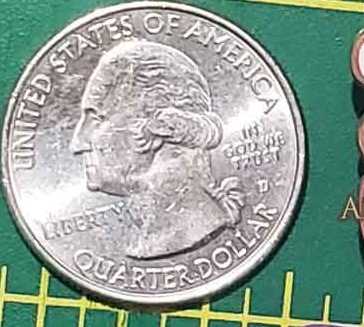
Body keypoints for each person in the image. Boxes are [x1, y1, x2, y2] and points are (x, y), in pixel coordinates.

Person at [70, 39, 244, 259]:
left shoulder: (183, 235)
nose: (77, 143)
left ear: (159, 127)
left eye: (97, 119)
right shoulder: (151, 240)